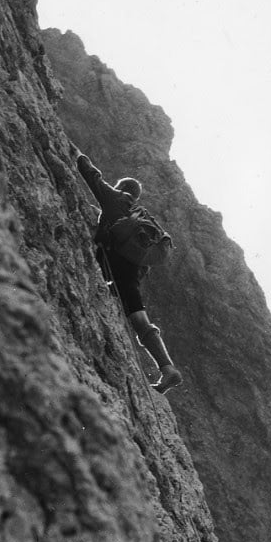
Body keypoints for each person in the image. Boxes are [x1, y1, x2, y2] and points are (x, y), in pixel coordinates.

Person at [73, 146, 182, 394]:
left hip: (116, 267)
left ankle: (168, 369)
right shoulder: (138, 217)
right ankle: (167, 368)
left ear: (121, 188)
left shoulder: (115, 199)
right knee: (139, 317)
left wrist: (75, 151)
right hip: (131, 271)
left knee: (138, 318)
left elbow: (91, 174)